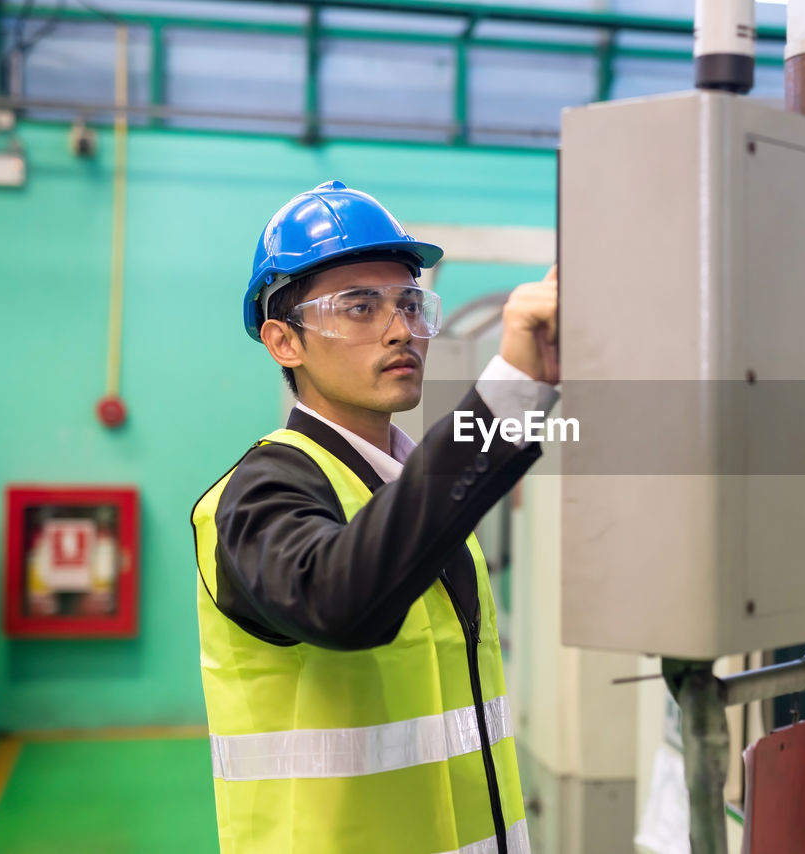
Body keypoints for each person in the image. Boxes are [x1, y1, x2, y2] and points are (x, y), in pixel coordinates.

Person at [191, 180, 558, 854]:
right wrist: (508, 388)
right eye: (358, 307)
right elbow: (341, 600)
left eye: (410, 303)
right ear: (284, 341)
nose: (400, 329)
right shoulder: (254, 496)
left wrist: (538, 383)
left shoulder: (402, 482)